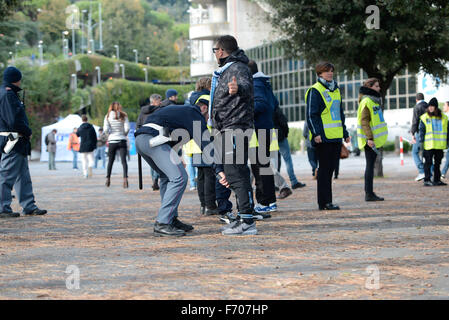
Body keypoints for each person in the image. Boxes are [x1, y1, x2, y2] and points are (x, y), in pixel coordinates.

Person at [134, 104, 226, 237]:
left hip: (143, 140)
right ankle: (163, 223)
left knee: (167, 177)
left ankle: (170, 218)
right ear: (204, 108)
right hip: (153, 140)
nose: (207, 122)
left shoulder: (179, 110)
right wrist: (219, 170)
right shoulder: (193, 114)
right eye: (208, 118)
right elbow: (206, 144)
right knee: (180, 178)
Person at [210, 35, 258, 235]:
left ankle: (247, 221)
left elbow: (246, 86)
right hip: (227, 127)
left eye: (215, 50)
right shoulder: (227, 69)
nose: (215, 54)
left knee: (237, 174)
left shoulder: (237, 68)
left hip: (235, 126)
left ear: (221, 51)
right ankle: (242, 218)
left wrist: (238, 88)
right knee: (233, 174)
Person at [0, 66, 47, 217]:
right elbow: (14, 120)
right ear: (17, 79)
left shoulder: (6, 93)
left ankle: (29, 206)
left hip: (15, 140)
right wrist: (27, 131)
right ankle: (3, 208)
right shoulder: (8, 95)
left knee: (23, 175)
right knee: (6, 175)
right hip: (13, 139)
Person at [306, 61, 350, 210]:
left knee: (330, 170)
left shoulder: (336, 90)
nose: (330, 73)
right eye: (326, 71)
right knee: (324, 171)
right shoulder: (315, 90)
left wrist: (345, 133)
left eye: (331, 70)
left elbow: (340, 114)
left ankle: (328, 201)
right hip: (323, 137)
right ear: (319, 74)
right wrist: (316, 133)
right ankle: (323, 202)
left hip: (336, 136)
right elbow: (312, 115)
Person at [246, 60, 277, 218]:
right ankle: (270, 201)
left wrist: (244, 111)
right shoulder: (264, 83)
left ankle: (264, 202)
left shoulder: (255, 84)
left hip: (258, 130)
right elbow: (274, 104)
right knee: (264, 166)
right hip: (265, 128)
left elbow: (261, 105)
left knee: (259, 168)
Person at [357, 78, 388, 201]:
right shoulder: (367, 101)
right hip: (369, 140)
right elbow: (364, 121)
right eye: (376, 86)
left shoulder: (374, 101)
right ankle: (368, 194)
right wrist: (369, 138)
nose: (379, 88)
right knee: (370, 166)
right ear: (370, 87)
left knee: (371, 166)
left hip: (374, 139)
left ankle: (370, 193)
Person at [273, 104, 306, 189]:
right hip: (280, 136)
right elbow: (283, 121)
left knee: (274, 161)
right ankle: (293, 181)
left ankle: (276, 184)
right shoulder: (275, 108)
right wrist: (286, 133)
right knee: (287, 160)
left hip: (270, 135)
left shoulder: (264, 110)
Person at [419, 97, 449, 186]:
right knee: (428, 163)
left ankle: (437, 180)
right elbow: (422, 131)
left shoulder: (444, 117)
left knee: (437, 163)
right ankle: (427, 180)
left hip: (439, 145)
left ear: (436, 107)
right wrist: (421, 142)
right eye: (429, 106)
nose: (430, 108)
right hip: (428, 145)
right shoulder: (425, 117)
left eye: (432, 106)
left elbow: (447, 130)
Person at [137, 94, 162, 191]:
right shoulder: (158, 110)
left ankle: (154, 179)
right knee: (157, 159)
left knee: (152, 161)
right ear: (155, 101)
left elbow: (138, 124)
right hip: (156, 136)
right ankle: (156, 178)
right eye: (159, 101)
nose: (161, 103)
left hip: (144, 137)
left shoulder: (143, 112)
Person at [104, 102, 130, 188]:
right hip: (122, 140)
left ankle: (108, 178)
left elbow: (106, 129)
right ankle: (125, 179)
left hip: (112, 140)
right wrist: (124, 134)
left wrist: (109, 136)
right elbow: (127, 128)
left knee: (110, 161)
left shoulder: (107, 116)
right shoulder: (124, 115)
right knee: (124, 161)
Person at [411, 93, 428, 181]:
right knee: (427, 153)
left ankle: (421, 171)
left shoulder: (417, 107)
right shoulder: (428, 106)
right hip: (429, 133)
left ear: (416, 99)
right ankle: (430, 172)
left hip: (419, 132)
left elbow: (415, 121)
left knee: (414, 152)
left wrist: (413, 133)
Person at [76, 115, 97, 179]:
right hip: (90, 146)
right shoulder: (91, 127)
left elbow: (77, 135)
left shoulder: (80, 127)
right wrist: (94, 145)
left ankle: (85, 173)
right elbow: (94, 136)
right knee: (91, 159)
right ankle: (90, 166)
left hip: (83, 146)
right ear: (87, 119)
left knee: (84, 160)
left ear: (82, 120)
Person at [441, 101, 449, 179]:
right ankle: (442, 172)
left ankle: (443, 173)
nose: (443, 107)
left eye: (445, 105)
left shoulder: (446, 117)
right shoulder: (445, 116)